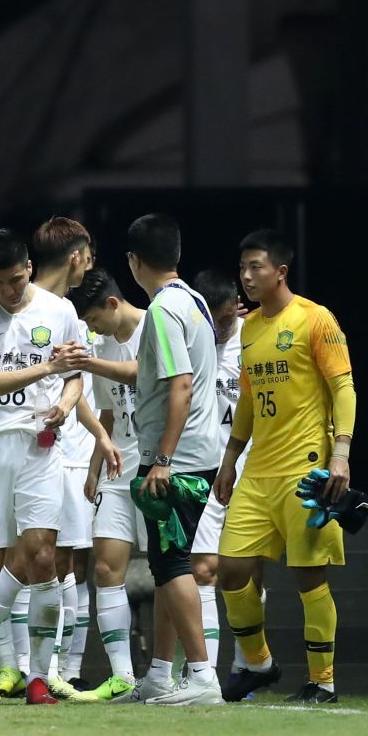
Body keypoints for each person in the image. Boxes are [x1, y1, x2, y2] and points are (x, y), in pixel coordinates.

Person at [213, 229, 356, 705]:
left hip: (307, 467)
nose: (247, 276)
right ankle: (258, 663)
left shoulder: (316, 319)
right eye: (242, 268)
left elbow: (344, 388)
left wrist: (342, 452)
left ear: (280, 272)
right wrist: (229, 461)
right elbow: (250, 399)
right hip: (257, 469)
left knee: (307, 577)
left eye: (256, 267)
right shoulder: (249, 328)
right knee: (231, 568)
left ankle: (323, 682)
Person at [0, 228, 89, 706]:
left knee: (43, 560)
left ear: (29, 267)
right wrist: (47, 372)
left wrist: (65, 405)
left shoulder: (61, 311)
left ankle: (37, 676)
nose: (7, 291)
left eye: (14, 280)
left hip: (40, 448)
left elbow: (76, 376)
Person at [114, 214, 224, 706]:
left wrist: (162, 458)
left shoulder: (161, 311)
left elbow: (180, 385)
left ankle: (201, 676)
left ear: (134, 261)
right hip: (199, 451)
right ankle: (160, 674)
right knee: (164, 565)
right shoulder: (194, 301)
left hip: (175, 460)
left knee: (174, 562)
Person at [25, 216, 116, 702]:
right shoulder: (22, 304)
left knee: (65, 564)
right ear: (78, 255)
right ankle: (11, 664)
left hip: (65, 448)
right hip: (22, 447)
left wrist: (96, 434)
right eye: (90, 255)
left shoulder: (69, 313)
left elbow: (73, 382)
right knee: (29, 561)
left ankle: (59, 668)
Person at [68, 266, 146, 701]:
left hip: (159, 464)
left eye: (94, 319)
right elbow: (110, 413)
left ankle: (178, 672)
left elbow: (140, 373)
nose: (92, 329)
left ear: (113, 303)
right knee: (105, 567)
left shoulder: (155, 325)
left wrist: (86, 360)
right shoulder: (100, 347)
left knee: (172, 570)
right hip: (119, 465)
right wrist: (94, 466)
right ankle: (123, 676)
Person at [182, 268, 253, 684]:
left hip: (251, 464)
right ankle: (204, 674)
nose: (223, 328)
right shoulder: (188, 339)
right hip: (205, 465)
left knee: (245, 571)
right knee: (203, 568)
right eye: (216, 320)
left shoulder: (254, 335)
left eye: (229, 318)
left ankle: (247, 667)